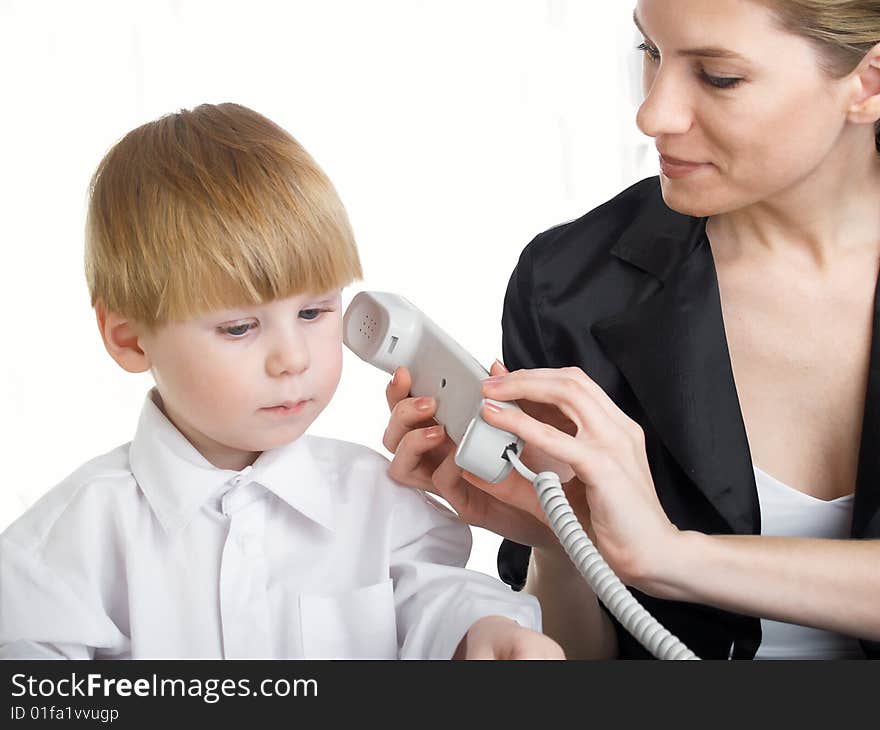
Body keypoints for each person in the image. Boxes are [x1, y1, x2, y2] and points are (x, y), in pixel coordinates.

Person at [384, 0, 880, 659]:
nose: (652, 115)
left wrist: (670, 557)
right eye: (650, 52)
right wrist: (563, 538)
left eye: (717, 76)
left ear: (867, 83)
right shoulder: (566, 286)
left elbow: (658, 560)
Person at [0, 103, 562, 660]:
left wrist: (483, 633)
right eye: (241, 326)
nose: (292, 358)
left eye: (315, 313)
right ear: (130, 339)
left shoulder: (380, 499)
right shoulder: (64, 547)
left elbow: (436, 597)